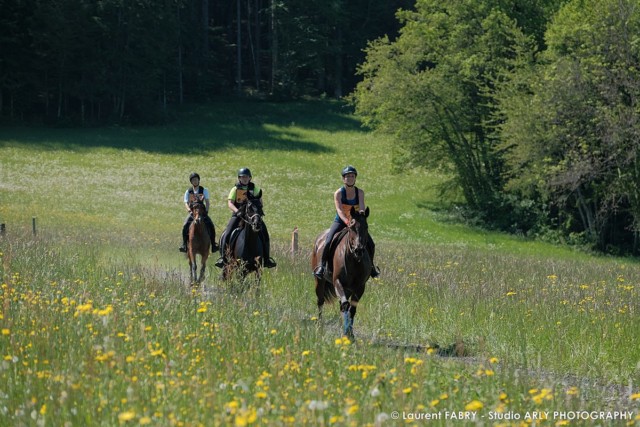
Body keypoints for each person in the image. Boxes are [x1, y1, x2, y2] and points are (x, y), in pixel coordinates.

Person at [313, 165, 380, 279]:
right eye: (348, 176)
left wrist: (361, 216)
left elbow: (362, 207)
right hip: (341, 221)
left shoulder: (360, 192)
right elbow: (339, 210)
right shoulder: (338, 193)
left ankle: (372, 267)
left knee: (370, 243)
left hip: (356, 222)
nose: (350, 178)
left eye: (352, 176)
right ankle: (322, 266)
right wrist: (346, 221)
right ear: (343, 179)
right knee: (328, 240)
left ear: (355, 178)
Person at [215, 168, 277, 268]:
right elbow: (230, 203)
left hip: (252, 216)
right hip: (238, 215)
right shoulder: (235, 189)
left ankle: (267, 259)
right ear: (239, 178)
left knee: (265, 233)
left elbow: (260, 202)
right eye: (242, 177)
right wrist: (237, 211)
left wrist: (256, 212)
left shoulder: (255, 188)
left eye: (246, 177)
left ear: (250, 178)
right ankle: (223, 258)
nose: (244, 179)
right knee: (227, 233)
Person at [179, 172, 218, 253]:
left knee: (211, 225)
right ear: (191, 182)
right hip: (192, 213)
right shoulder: (188, 191)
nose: (195, 181)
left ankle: (213, 244)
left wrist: (206, 211)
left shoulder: (204, 190)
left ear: (199, 180)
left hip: (202, 212)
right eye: (193, 180)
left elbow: (207, 202)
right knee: (185, 225)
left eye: (196, 179)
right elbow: (186, 202)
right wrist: (189, 211)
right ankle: (184, 244)